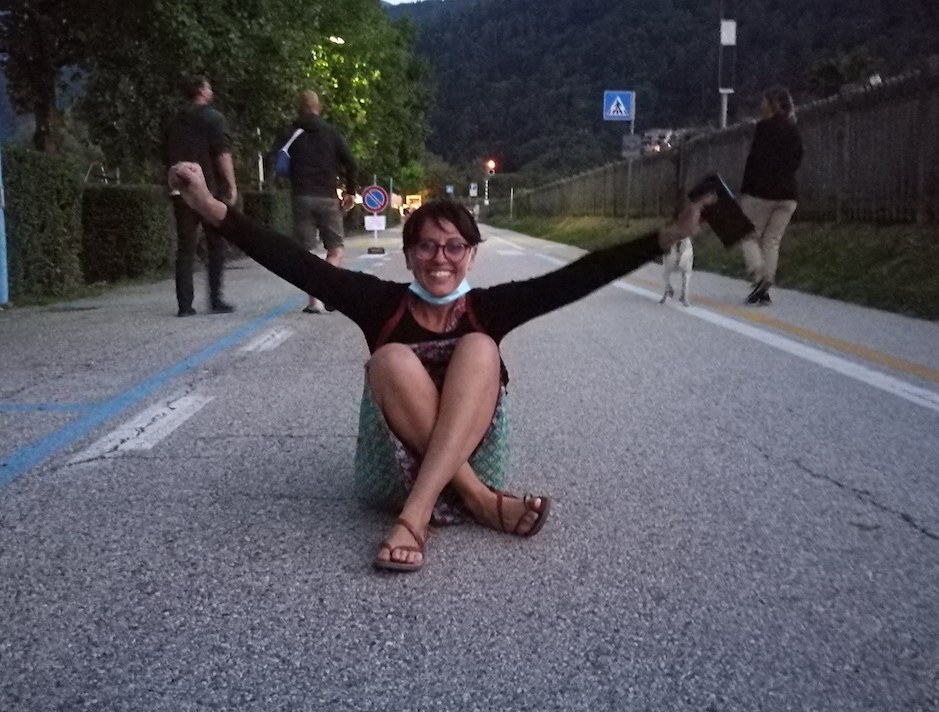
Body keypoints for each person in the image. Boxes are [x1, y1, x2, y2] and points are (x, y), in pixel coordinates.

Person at [169, 160, 713, 573]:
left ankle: (416, 517)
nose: (440, 259)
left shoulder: (488, 308)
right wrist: (209, 206)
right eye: (427, 247)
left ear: (472, 255)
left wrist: (669, 236)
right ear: (409, 256)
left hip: (471, 459)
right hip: (392, 476)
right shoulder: (380, 303)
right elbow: (293, 261)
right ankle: (476, 499)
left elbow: (577, 277)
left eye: (454, 247)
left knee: (480, 348)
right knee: (390, 358)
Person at [274, 90, 360, 313]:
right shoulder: (332, 134)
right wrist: (350, 192)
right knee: (336, 248)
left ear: (299, 109)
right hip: (327, 197)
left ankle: (314, 302)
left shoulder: (290, 132)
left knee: (307, 252)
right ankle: (327, 287)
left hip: (301, 197)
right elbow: (351, 163)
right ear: (319, 108)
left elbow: (276, 159)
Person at [162, 75, 238, 318]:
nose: (211, 90)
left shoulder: (173, 121)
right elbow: (222, 154)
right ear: (202, 91)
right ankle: (215, 300)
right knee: (215, 244)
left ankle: (184, 305)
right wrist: (231, 186)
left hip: (181, 189)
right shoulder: (214, 119)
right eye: (209, 86)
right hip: (208, 191)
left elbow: (164, 154)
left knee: (185, 246)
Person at [739, 85, 804, 306]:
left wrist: (745, 189)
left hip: (761, 192)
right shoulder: (794, 130)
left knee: (747, 235)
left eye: (765, 101)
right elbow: (797, 160)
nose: (761, 105)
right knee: (772, 241)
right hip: (788, 195)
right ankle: (765, 289)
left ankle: (759, 276)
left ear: (773, 104)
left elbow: (754, 161)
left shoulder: (764, 128)